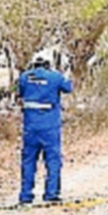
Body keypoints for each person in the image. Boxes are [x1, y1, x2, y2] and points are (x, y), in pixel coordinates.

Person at [17, 50, 72, 204]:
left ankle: (26, 195)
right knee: (53, 160)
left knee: (28, 160)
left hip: (30, 127)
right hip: (50, 127)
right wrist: (64, 73)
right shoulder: (55, 77)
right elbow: (68, 88)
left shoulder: (24, 77)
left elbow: (20, 94)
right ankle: (51, 194)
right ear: (49, 63)